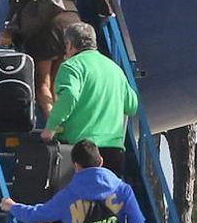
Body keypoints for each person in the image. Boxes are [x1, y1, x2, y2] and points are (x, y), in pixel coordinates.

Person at [0, 139, 148, 223]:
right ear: (101, 161)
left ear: (76, 166)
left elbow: (35, 214)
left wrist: (13, 206)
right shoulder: (122, 189)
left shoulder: (67, 196)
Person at [41, 23, 139, 177]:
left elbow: (70, 96)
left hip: (83, 150)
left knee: (80, 199)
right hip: (114, 149)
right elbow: (132, 106)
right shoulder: (115, 69)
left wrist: (50, 128)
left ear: (70, 44)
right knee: (108, 199)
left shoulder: (71, 67)